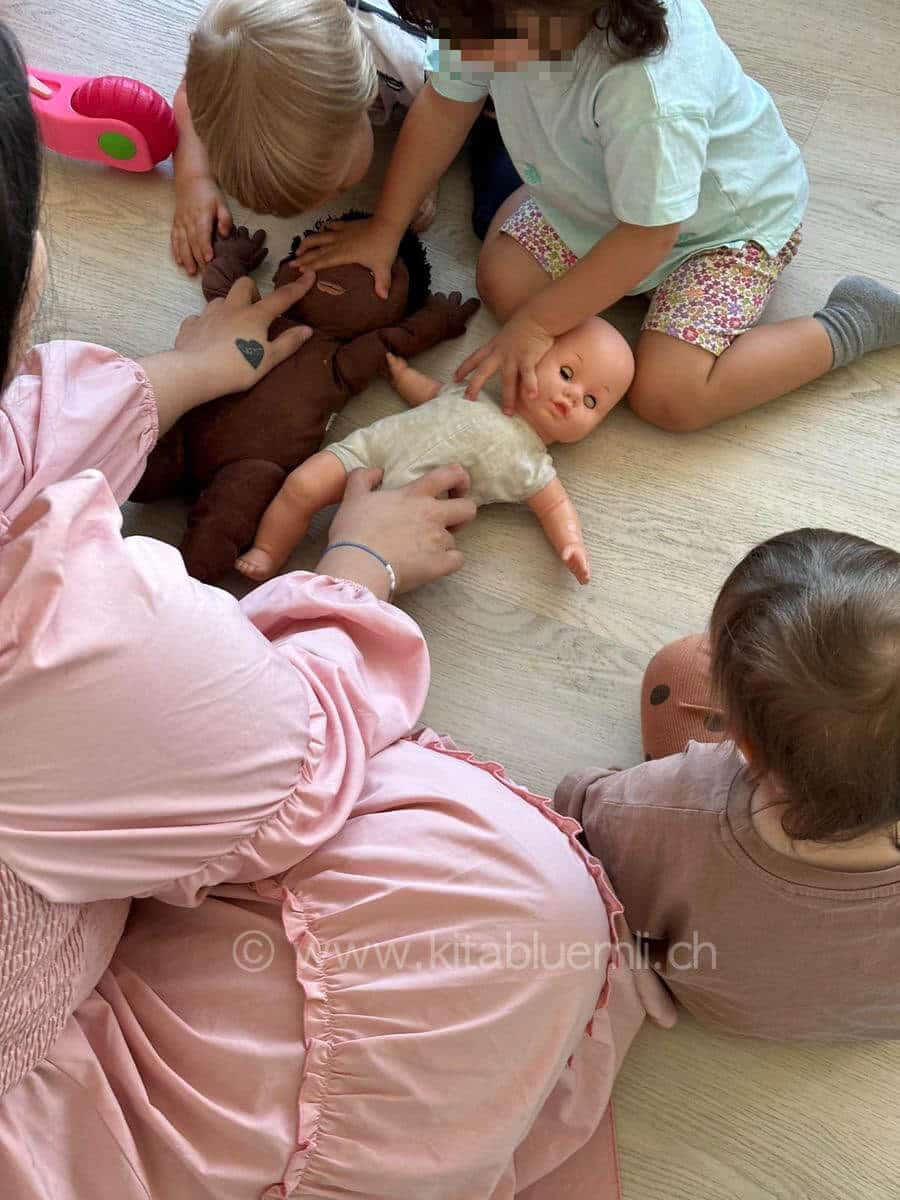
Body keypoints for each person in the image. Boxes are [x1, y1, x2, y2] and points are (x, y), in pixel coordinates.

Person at [0, 25, 671, 1199]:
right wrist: (355, 566)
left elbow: (33, 440)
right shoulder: (48, 618)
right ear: (33, 269)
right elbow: (287, 761)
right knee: (521, 908)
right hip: (51, 1075)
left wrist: (193, 372)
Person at [294, 0, 900, 431]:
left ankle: (850, 323)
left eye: (476, 36)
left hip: (719, 230)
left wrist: (537, 328)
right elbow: (446, 103)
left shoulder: (649, 92)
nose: (465, 48)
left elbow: (650, 233)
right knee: (502, 275)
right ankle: (615, 332)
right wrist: (385, 227)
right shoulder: (500, 18)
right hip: (597, 202)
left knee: (671, 396)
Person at [557, 528, 900, 1041]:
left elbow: (576, 812)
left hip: (727, 1005)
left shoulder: (672, 809)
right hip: (878, 1015)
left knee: (679, 664)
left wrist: (594, 789)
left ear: (747, 747)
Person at [235, 315, 635, 583]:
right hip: (370, 452)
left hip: (411, 514)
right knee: (302, 486)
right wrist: (402, 374)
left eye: (591, 402)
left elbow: (555, 507)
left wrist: (571, 543)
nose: (571, 395)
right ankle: (269, 549)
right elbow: (430, 394)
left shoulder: (533, 465)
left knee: (367, 573)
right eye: (567, 373)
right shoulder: (476, 389)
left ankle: (334, 594)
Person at [171, 0, 520, 275]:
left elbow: (453, 107)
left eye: (337, 186)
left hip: (493, 81)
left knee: (497, 217)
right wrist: (194, 178)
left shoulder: (413, 54)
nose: (326, 203)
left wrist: (403, 202)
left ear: (364, 98)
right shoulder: (231, 44)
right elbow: (192, 93)